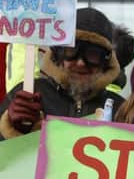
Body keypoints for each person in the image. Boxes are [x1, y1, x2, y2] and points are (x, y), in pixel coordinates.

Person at [0, 7, 124, 140]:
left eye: (92, 54)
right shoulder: (29, 93)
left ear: (105, 61)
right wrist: (13, 128)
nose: (81, 63)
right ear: (59, 54)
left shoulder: (121, 109)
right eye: (72, 51)